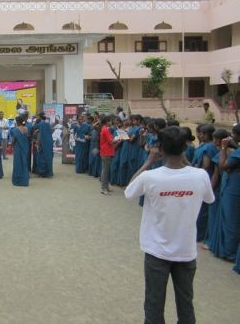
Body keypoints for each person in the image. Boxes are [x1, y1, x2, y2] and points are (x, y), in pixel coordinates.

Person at [124, 126, 214, 324]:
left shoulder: (150, 177)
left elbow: (129, 191)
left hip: (156, 251)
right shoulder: (200, 176)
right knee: (186, 304)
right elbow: (209, 198)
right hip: (186, 251)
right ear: (185, 147)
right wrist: (187, 163)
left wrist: (148, 161)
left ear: (160, 149)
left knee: (154, 304)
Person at [214, 124, 240, 263]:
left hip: (235, 188)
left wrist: (224, 148)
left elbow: (223, 166)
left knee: (231, 218)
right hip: (234, 185)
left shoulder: (237, 153)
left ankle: (230, 251)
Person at [100, 115, 120, 195]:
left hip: (105, 151)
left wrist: (116, 140)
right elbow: (111, 141)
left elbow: (111, 140)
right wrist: (118, 140)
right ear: (107, 121)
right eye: (110, 121)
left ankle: (106, 187)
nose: (111, 122)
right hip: (106, 152)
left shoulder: (104, 129)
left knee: (105, 170)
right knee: (105, 171)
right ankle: (104, 188)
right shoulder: (106, 130)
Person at [11, 115, 30, 186]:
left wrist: (11, 146)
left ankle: (18, 180)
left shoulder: (15, 130)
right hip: (25, 148)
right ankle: (25, 179)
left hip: (18, 149)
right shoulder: (26, 128)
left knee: (18, 164)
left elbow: (13, 140)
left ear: (17, 122)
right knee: (24, 163)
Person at [35, 112, 54, 177]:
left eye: (37, 116)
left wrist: (37, 143)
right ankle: (49, 173)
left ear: (40, 117)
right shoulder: (48, 124)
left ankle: (42, 173)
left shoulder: (39, 124)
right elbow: (51, 132)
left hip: (43, 143)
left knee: (41, 158)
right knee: (48, 157)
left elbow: (40, 135)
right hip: (49, 142)